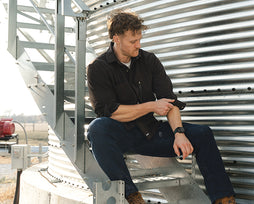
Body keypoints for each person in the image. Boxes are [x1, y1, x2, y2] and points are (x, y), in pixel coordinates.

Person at [87, 9, 236, 204]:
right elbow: (110, 111)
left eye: (140, 39)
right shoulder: (98, 68)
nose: (138, 45)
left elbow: (169, 101)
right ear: (116, 38)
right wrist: (150, 106)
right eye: (133, 41)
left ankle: (224, 200)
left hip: (151, 132)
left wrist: (179, 133)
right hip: (123, 134)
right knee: (97, 128)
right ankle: (132, 196)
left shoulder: (149, 60)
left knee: (203, 133)